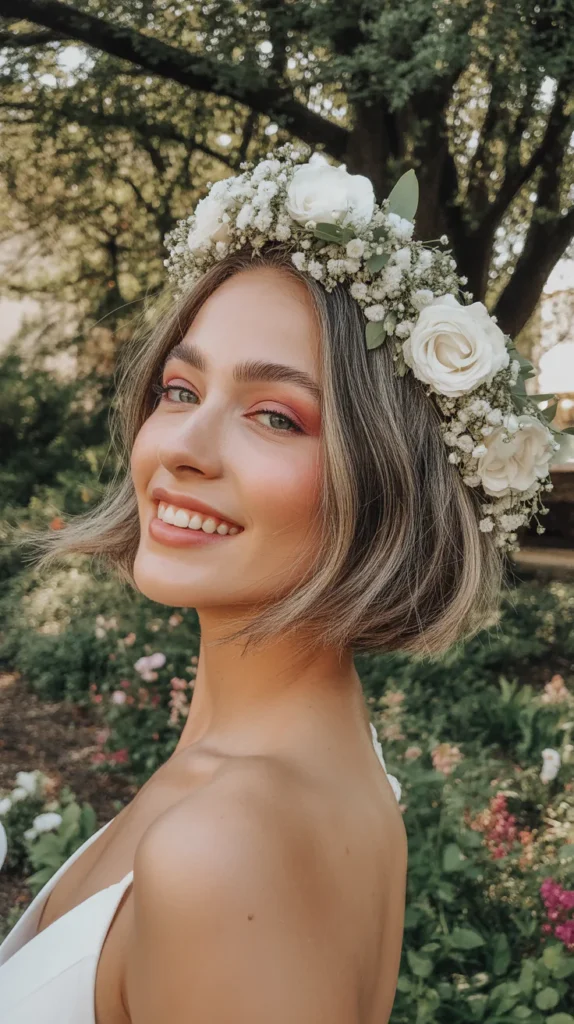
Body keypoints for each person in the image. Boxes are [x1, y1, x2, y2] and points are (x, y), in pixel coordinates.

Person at [0, 143, 562, 1023]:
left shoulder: (231, 846)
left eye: (274, 415)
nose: (181, 446)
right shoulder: (303, 771)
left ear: (384, 486)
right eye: (181, 389)